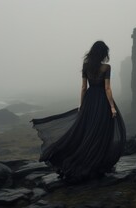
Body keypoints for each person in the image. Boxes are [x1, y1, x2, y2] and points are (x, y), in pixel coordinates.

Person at [30, 40, 126, 183]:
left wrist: (82, 105)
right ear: (103, 53)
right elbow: (107, 89)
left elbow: (83, 87)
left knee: (86, 131)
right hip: (101, 101)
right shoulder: (106, 67)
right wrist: (112, 107)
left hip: (89, 100)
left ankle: (86, 161)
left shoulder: (86, 66)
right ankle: (96, 163)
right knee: (99, 132)